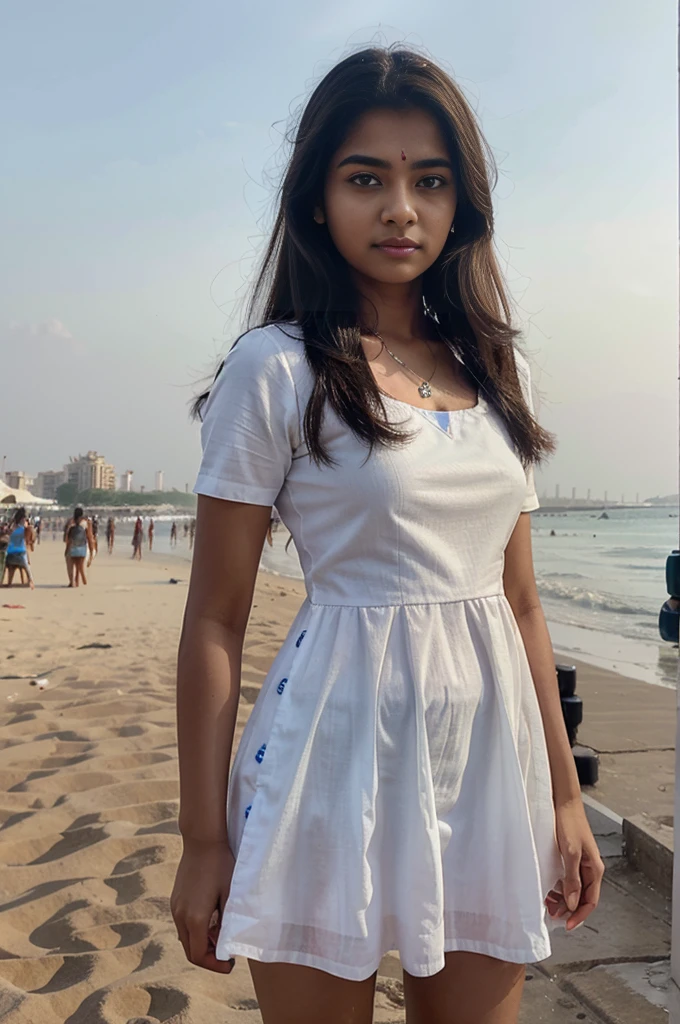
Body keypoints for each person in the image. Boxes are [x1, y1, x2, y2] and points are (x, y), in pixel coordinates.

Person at [171, 48, 603, 1024]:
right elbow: (213, 619)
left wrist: (564, 801)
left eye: (428, 180)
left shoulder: (491, 371)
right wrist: (203, 838)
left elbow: (521, 603)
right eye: (366, 177)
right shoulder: (274, 370)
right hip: (328, 757)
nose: (400, 207)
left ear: (460, 205)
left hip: (486, 769)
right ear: (317, 198)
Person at [3, 508, 34, 589]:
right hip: (19, 552)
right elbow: (29, 539)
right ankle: (30, 581)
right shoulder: (24, 527)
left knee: (12, 569)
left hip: (11, 551)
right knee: (26, 566)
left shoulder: (13, 526)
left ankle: (10, 582)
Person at [65, 507, 94, 587]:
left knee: (69, 563)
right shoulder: (86, 523)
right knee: (80, 563)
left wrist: (66, 549)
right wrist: (92, 551)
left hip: (72, 548)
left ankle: (72, 581)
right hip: (83, 549)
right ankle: (79, 579)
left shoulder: (71, 522)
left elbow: (67, 538)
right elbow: (89, 537)